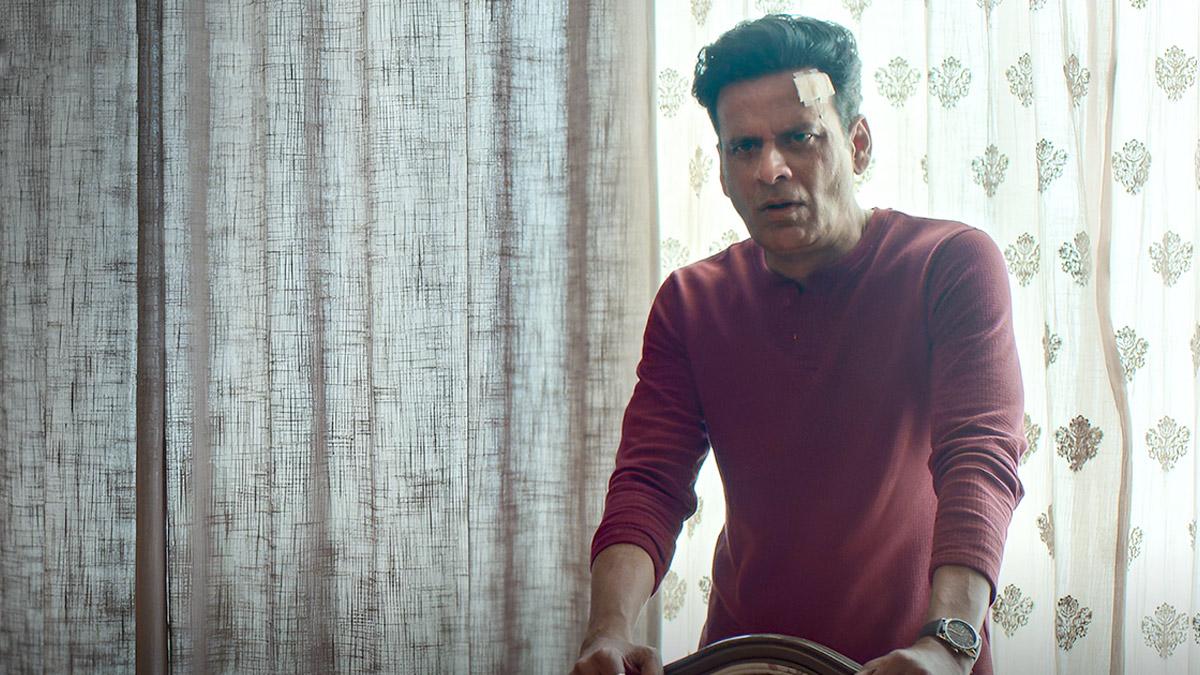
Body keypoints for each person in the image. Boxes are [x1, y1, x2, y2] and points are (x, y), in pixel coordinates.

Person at [571, 14, 1026, 675]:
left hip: (917, 661)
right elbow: (649, 482)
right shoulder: (691, 302)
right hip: (743, 659)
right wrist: (607, 633)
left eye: (799, 137)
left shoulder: (949, 264)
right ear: (721, 170)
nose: (771, 169)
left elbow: (979, 458)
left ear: (857, 144)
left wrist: (948, 643)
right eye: (743, 147)